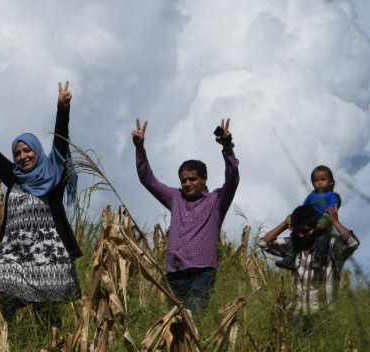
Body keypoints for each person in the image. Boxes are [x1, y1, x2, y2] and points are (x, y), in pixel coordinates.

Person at [0, 81, 81, 324]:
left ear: (36, 150)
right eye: (18, 153)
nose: (22, 157)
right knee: (1, 309)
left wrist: (62, 109)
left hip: (48, 259)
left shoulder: (52, 176)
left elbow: (61, 143)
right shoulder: (14, 177)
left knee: (48, 321)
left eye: (27, 151)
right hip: (14, 255)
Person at [131, 118, 239, 315]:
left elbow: (232, 178)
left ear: (204, 179)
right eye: (183, 180)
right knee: (174, 324)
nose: (187, 184)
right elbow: (148, 180)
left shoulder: (216, 200)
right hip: (175, 273)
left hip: (202, 271)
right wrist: (140, 148)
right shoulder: (175, 198)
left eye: (192, 179)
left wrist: (227, 147)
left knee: (194, 320)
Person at [259, 205, 359, 315]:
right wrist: (284, 224)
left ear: (316, 226)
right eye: (297, 231)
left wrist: (335, 221)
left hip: (323, 315)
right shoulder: (291, 247)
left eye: (305, 230)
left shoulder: (331, 245)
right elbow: (264, 243)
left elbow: (353, 243)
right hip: (295, 313)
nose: (301, 235)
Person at [276, 165, 341, 271]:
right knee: (293, 236)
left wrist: (324, 220)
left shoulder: (332, 196)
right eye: (316, 180)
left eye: (323, 179)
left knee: (322, 238)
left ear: (331, 182)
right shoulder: (311, 195)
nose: (319, 182)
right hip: (309, 222)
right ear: (312, 183)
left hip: (323, 223)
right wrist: (294, 220)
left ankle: (318, 260)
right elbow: (302, 209)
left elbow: (331, 210)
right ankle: (289, 258)